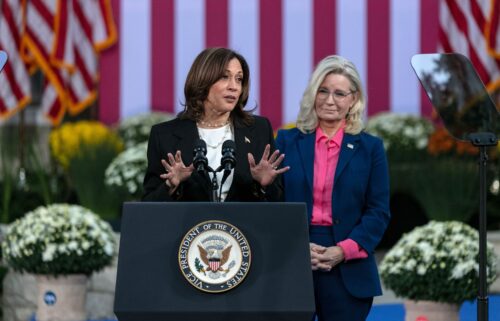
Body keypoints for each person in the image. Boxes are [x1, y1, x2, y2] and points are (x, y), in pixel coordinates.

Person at [275, 55, 390, 321]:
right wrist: (298, 245)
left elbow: (378, 211)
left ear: (354, 100)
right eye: (323, 91)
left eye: (339, 93)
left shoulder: (371, 148)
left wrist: (342, 251)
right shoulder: (286, 141)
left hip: (348, 263)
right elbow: (273, 204)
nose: (329, 100)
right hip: (293, 256)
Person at [143, 47, 288, 202]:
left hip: (243, 225)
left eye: (239, 79)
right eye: (225, 77)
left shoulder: (259, 129)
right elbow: (149, 204)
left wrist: (264, 185)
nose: (234, 86)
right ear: (203, 80)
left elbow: (277, 202)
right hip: (189, 225)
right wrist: (170, 184)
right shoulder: (164, 135)